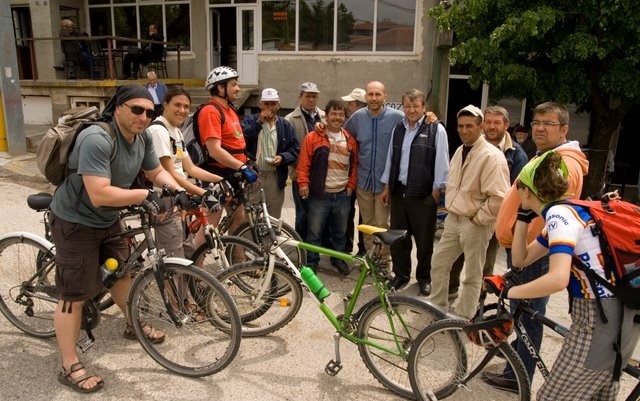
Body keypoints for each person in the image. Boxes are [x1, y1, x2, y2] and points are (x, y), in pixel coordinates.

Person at [49, 84, 187, 393]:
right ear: (119, 108)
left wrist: (179, 190)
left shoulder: (143, 137)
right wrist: (144, 194)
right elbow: (99, 194)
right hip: (75, 222)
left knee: (123, 273)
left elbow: (155, 172)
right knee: (74, 296)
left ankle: (132, 324)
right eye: (137, 110)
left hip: (108, 220)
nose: (144, 116)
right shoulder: (97, 138)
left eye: (150, 112)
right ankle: (69, 363)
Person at [485, 150, 640, 400]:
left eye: (518, 190)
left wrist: (509, 291)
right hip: (619, 316)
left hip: (597, 322)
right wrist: (524, 216)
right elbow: (521, 260)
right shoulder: (569, 212)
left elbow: (558, 279)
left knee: (550, 397)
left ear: (525, 192)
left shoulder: (559, 217)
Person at [486, 101, 589, 392]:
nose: (540, 128)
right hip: (530, 247)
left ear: (564, 129)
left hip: (539, 252)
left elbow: (553, 213)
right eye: (536, 123)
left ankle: (518, 375)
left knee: (528, 313)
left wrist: (527, 232)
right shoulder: (549, 155)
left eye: (548, 123)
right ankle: (517, 369)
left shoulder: (563, 162)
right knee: (524, 312)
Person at [428, 105, 510, 318]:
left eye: (470, 126)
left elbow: (499, 198)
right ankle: (437, 307)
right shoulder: (460, 150)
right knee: (439, 262)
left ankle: (463, 317)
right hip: (454, 219)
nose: (464, 130)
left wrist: (477, 220)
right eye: (461, 126)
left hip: (476, 223)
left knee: (473, 274)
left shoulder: (492, 156)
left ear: (480, 126)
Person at [448, 105, 528, 298]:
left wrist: (482, 218)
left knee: (484, 265)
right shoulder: (468, 148)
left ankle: (478, 304)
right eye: (489, 122)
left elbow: (516, 194)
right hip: (464, 216)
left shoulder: (516, 155)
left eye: (497, 123)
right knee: (454, 260)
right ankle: (450, 293)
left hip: (494, 219)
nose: (492, 126)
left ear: (506, 125)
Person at [379, 89, 449, 295]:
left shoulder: (436, 130)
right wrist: (386, 186)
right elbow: (390, 159)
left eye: (415, 106)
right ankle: (401, 275)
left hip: (424, 194)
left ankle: (424, 278)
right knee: (399, 238)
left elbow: (442, 163)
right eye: (407, 106)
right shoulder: (398, 129)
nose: (411, 110)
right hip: (399, 192)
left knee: (424, 240)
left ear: (423, 107)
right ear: (403, 107)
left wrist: (437, 190)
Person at [147, 86, 224, 258]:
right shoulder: (159, 131)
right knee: (173, 257)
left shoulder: (176, 131)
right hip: (165, 197)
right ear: (165, 104)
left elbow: (190, 168)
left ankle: (187, 283)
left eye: (186, 107)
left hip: (179, 196)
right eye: (177, 105)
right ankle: (172, 285)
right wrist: (203, 193)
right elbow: (169, 173)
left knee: (186, 248)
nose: (182, 110)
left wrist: (223, 179)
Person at [343, 81, 404, 264]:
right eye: (371, 94)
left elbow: (417, 125)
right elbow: (342, 135)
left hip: (384, 183)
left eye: (378, 94)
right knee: (367, 224)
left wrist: (430, 117)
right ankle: (371, 260)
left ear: (385, 96)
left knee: (382, 224)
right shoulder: (357, 118)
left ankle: (384, 260)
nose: (374, 98)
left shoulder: (397, 117)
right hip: (363, 182)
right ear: (366, 97)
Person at [296, 99, 358, 275]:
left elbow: (354, 166)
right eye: (334, 114)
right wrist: (303, 184)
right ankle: (312, 262)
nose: (337, 117)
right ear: (326, 115)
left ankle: (337, 259)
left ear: (345, 117)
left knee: (340, 232)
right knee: (314, 231)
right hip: (319, 195)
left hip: (342, 195)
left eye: (341, 114)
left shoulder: (349, 140)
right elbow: (304, 163)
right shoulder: (314, 137)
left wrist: (351, 185)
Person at [198, 66, 257, 235]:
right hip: (217, 174)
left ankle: (238, 258)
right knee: (210, 226)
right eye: (234, 84)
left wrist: (248, 162)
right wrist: (242, 167)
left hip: (233, 173)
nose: (238, 88)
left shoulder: (230, 110)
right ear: (220, 88)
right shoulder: (211, 111)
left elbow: (235, 142)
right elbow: (215, 150)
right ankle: (196, 261)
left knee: (239, 218)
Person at [242, 88, 299, 218]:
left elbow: (295, 149)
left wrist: (282, 157)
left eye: (273, 104)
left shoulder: (285, 124)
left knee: (273, 216)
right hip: (254, 175)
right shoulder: (250, 121)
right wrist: (259, 122)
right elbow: (243, 140)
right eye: (266, 104)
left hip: (275, 176)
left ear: (279, 105)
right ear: (260, 104)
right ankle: (249, 239)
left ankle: (270, 239)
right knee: (251, 216)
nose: (270, 107)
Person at [285, 82, 325, 240]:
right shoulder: (290, 119)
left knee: (319, 212)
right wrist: (302, 168)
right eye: (308, 96)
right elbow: (288, 148)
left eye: (314, 96)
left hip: (321, 175)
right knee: (302, 213)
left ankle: (316, 246)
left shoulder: (324, 116)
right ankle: (300, 246)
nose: (311, 99)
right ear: (300, 97)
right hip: (299, 175)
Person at [340, 87, 367, 254]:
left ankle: (363, 249)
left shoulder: (367, 121)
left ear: (358, 105)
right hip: (349, 175)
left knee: (365, 215)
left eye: (350, 103)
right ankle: (346, 246)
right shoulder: (349, 123)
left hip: (363, 176)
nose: (347, 106)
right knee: (347, 212)